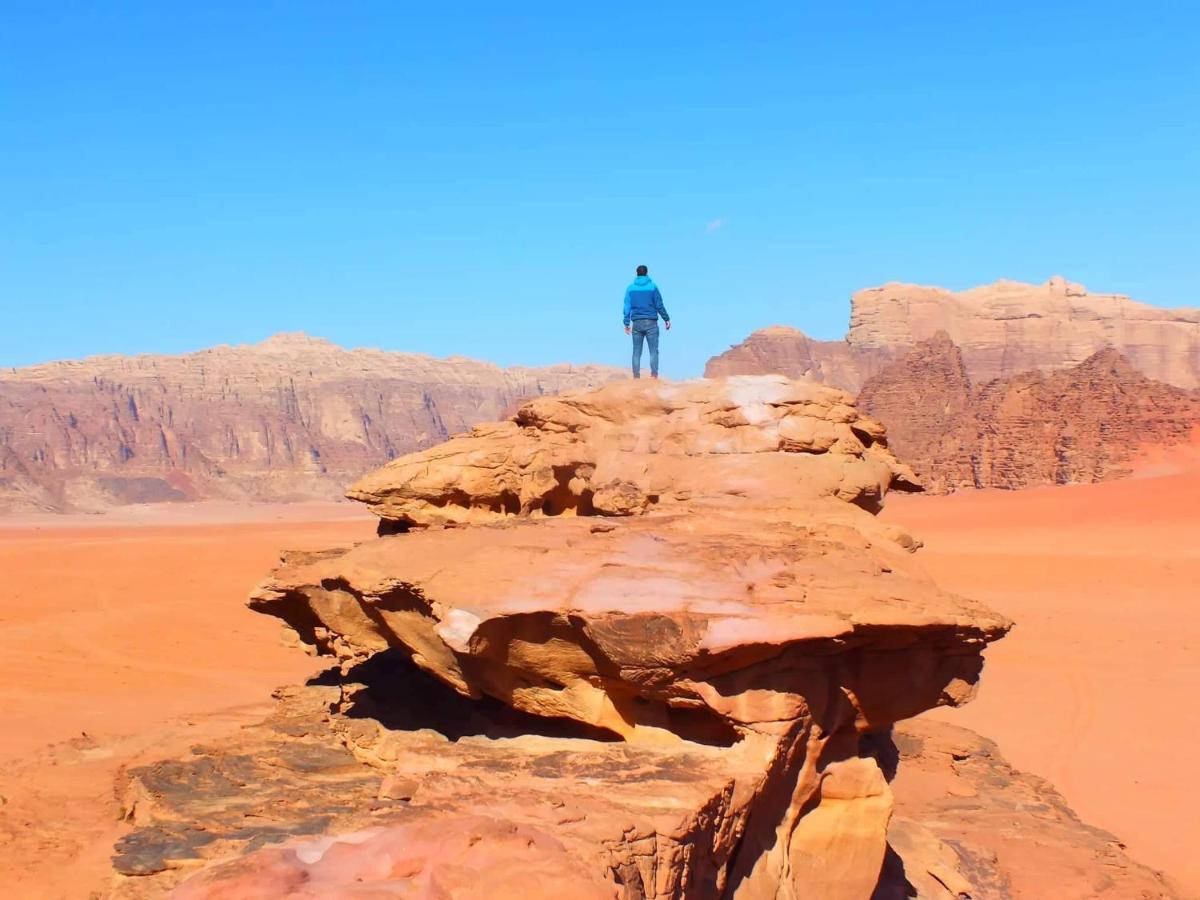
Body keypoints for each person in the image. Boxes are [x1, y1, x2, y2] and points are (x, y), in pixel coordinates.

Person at [622, 265, 671, 379]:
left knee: (636, 352)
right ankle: (654, 376)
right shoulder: (653, 287)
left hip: (637, 323)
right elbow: (659, 305)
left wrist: (626, 323)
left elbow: (627, 307)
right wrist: (666, 319)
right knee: (653, 351)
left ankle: (636, 378)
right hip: (651, 322)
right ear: (647, 273)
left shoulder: (630, 288)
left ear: (637, 273)